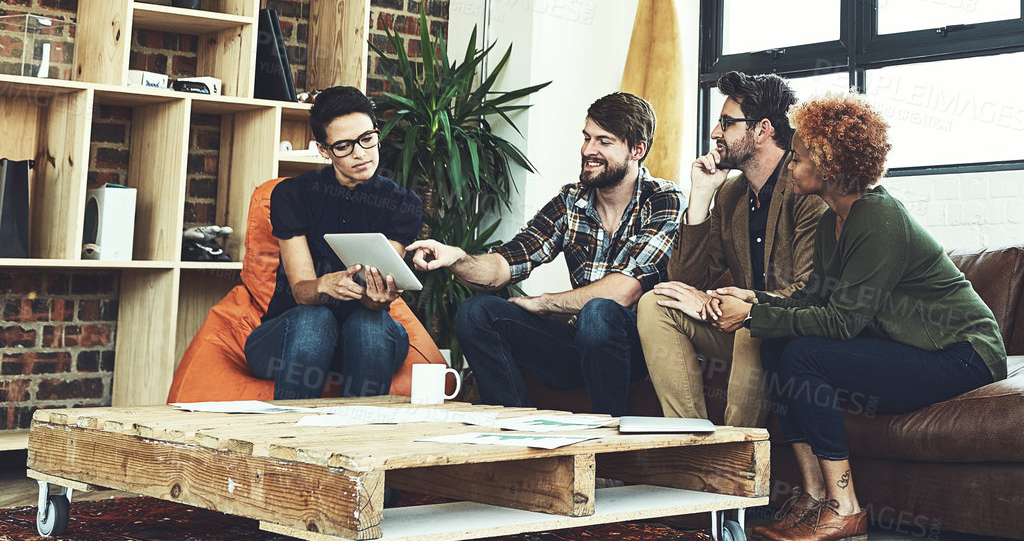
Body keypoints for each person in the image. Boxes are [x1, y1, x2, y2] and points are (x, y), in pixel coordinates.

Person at [706, 92, 1006, 541]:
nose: (790, 165)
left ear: (831, 165)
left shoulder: (878, 218)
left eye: (800, 157)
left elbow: (843, 322)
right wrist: (755, 304)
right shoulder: (834, 221)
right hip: (919, 350)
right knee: (773, 344)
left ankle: (844, 509)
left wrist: (751, 314)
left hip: (963, 354)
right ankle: (812, 498)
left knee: (805, 354)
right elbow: (812, 297)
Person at [408, 92, 682, 415]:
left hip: (634, 348)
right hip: (577, 344)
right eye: (586, 138)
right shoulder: (571, 201)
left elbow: (625, 291)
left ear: (638, 150)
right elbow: (505, 264)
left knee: (597, 315)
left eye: (603, 142)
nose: (587, 150)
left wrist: (545, 303)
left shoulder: (663, 199)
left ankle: (609, 444)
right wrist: (457, 258)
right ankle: (515, 430)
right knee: (475, 313)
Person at [638, 71, 824, 426]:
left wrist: (744, 305)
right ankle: (689, 440)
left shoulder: (804, 188)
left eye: (726, 123)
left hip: (787, 326)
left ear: (762, 129)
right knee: (658, 302)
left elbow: (808, 291)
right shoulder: (731, 194)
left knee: (750, 323)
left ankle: (734, 454)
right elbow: (685, 280)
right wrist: (701, 197)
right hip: (741, 324)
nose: (714, 134)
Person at [244, 86, 419, 399]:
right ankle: (289, 439)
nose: (360, 153)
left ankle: (360, 440)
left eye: (367, 138)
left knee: (370, 323)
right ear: (323, 150)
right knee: (316, 319)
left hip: (363, 342)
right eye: (343, 146)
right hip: (290, 336)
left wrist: (377, 298)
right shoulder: (292, 195)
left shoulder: (402, 203)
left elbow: (374, 296)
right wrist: (324, 285)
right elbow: (300, 291)